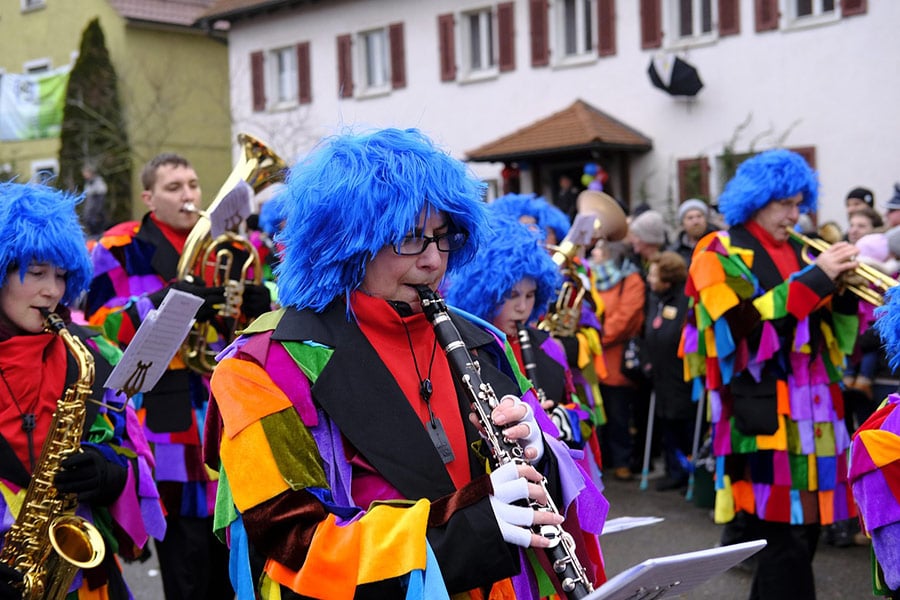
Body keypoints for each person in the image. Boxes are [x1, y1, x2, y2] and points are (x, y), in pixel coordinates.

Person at [203, 128, 608, 598]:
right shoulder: (261, 367)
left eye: (443, 236)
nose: (434, 261)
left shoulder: (483, 343)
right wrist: (470, 530)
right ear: (348, 243)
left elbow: (547, 494)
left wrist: (542, 450)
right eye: (410, 239)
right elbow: (290, 543)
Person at [84, 153, 270, 600]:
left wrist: (258, 306)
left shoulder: (231, 246)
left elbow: (244, 335)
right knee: (186, 570)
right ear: (148, 198)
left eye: (192, 185)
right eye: (173, 188)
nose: (188, 195)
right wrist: (161, 302)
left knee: (237, 568)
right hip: (166, 425)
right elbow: (97, 327)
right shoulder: (118, 247)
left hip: (228, 416)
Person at [681, 149, 860, 600]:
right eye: (785, 204)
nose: (795, 215)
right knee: (785, 542)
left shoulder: (805, 249)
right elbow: (741, 334)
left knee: (805, 536)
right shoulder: (718, 250)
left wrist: (843, 293)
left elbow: (835, 340)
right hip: (764, 417)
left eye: (800, 204)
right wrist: (816, 281)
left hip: (819, 417)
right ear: (756, 199)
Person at [0, 181, 164, 600]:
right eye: (37, 272)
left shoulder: (93, 353)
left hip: (87, 583)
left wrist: (111, 474)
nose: (53, 291)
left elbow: (139, 464)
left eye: (61, 275)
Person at [445, 214, 596, 455]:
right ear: (486, 294)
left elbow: (587, 415)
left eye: (530, 295)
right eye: (511, 295)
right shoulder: (465, 349)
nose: (523, 307)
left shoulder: (548, 346)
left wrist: (559, 419)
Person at [589, 240, 646, 481]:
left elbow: (625, 318)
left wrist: (592, 336)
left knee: (618, 413)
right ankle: (601, 461)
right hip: (592, 359)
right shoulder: (590, 276)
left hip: (615, 359)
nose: (594, 253)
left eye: (599, 249)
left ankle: (622, 460)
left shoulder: (631, 280)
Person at [643, 251, 694, 492]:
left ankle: (689, 471)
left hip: (680, 375)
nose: (649, 279)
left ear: (668, 279)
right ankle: (674, 470)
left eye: (654, 275)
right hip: (660, 373)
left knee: (684, 425)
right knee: (667, 425)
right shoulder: (656, 298)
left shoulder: (685, 300)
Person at [670, 198, 716, 267]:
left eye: (699, 216)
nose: (695, 222)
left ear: (706, 220)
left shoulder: (718, 243)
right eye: (690, 218)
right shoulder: (675, 252)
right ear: (682, 223)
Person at [81, 163, 108, 237]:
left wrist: (97, 213)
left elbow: (100, 198)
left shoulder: (98, 182)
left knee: (97, 230)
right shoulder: (88, 183)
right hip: (90, 213)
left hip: (96, 213)